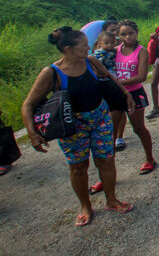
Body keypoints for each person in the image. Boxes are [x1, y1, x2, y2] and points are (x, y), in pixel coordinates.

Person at [22, 27, 135, 226]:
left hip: (100, 118)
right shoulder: (51, 73)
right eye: (84, 46)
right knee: (78, 166)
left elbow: (109, 78)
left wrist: (126, 95)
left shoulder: (91, 61)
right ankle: (86, 206)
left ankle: (111, 199)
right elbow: (28, 104)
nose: (89, 47)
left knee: (106, 160)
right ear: (68, 48)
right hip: (73, 126)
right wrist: (32, 133)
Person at [111, 20, 157, 174]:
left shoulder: (141, 51)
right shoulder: (114, 50)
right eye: (123, 34)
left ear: (136, 33)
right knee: (111, 132)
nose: (127, 37)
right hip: (117, 95)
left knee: (138, 128)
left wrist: (118, 82)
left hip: (135, 93)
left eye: (131, 33)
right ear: (118, 35)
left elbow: (142, 76)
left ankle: (149, 158)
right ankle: (107, 169)